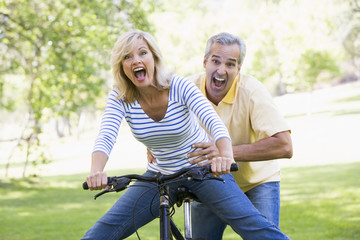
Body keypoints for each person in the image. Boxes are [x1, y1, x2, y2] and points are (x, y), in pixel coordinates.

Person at [82, 29, 290, 240]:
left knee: (255, 228)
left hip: (202, 171)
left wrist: (225, 155)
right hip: (160, 175)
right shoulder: (120, 97)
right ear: (121, 65)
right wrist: (96, 171)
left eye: (142, 53)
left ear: (154, 57)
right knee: (102, 232)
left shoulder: (179, 85)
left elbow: (213, 122)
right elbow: (106, 136)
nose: (135, 60)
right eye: (127, 56)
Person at [188, 32, 293, 239]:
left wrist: (225, 153)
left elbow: (284, 145)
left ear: (238, 69)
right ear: (205, 62)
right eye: (215, 61)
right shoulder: (186, 90)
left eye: (230, 64)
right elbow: (161, 119)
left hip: (257, 182)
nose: (221, 70)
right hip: (211, 181)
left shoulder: (252, 90)